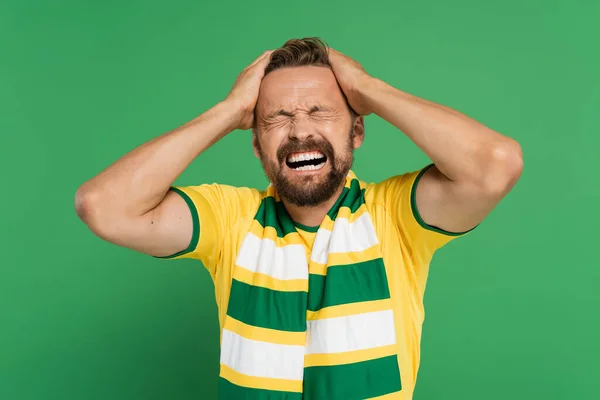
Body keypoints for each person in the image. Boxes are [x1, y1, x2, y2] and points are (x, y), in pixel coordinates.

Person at [75, 37, 523, 399]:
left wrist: (367, 88)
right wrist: (229, 110)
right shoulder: (231, 219)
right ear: (256, 145)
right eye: (277, 119)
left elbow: (496, 165)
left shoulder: (395, 215)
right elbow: (103, 207)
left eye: (320, 112)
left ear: (358, 130)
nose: (300, 131)